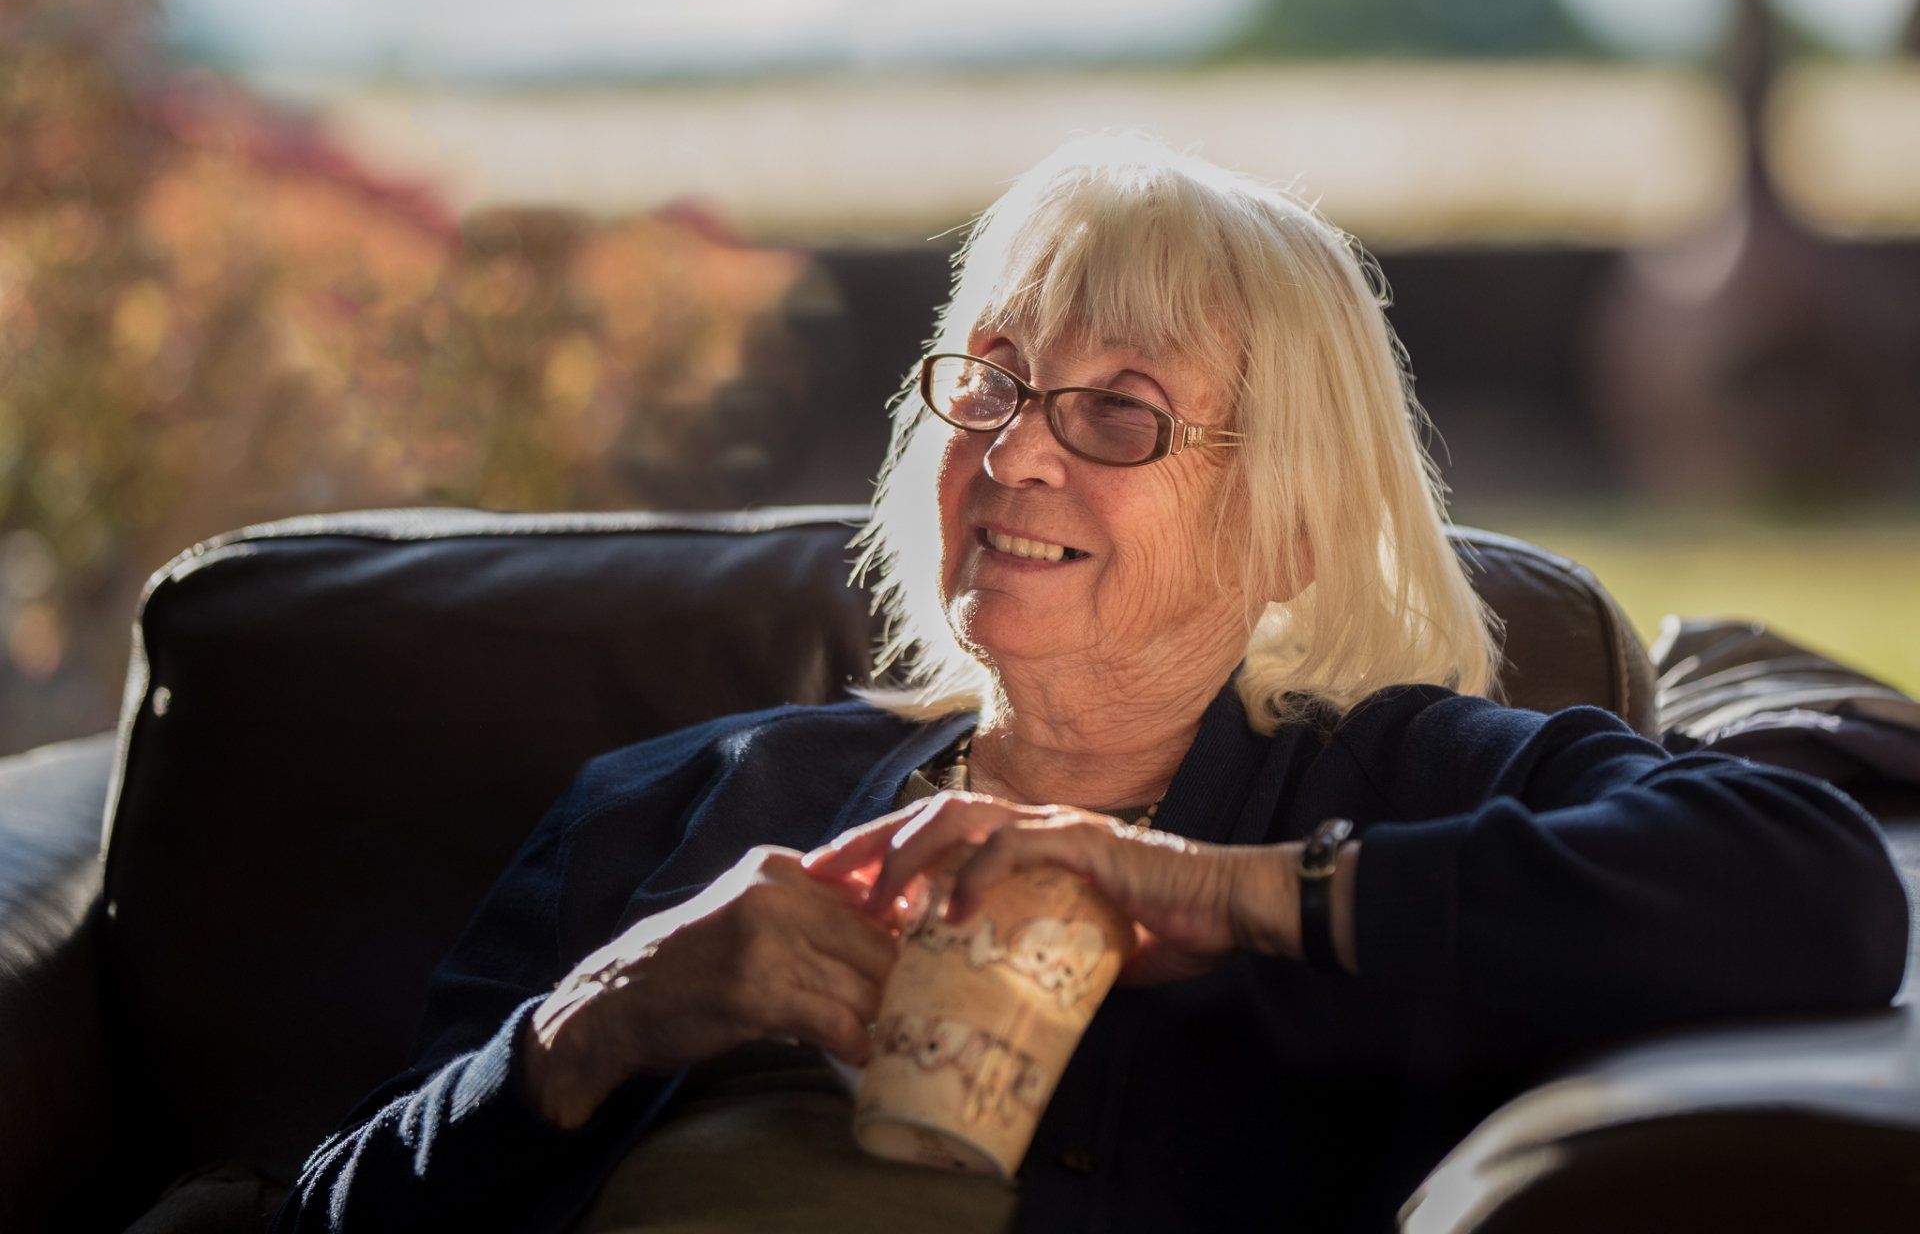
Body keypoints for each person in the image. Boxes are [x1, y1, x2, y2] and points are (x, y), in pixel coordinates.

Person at [268, 132, 1911, 1234]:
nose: (1017, 454)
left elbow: (1819, 897)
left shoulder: (1408, 785)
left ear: (1288, 524)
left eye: (1118, 411)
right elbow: (330, 1212)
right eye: (990, 384)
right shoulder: (689, 808)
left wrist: (1234, 893)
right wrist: (604, 1020)